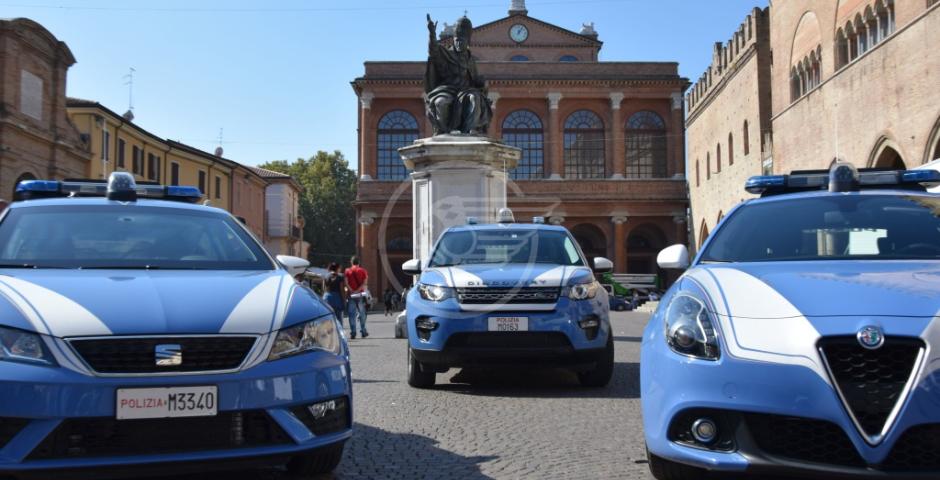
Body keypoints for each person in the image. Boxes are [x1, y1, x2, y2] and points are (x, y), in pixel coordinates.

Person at [345, 256, 369, 339]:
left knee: (352, 315)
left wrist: (352, 290)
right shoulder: (363, 271)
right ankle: (363, 331)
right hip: (360, 295)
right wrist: (358, 290)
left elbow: (346, 283)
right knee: (362, 314)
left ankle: (353, 332)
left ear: (351, 262)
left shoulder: (347, 271)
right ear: (359, 262)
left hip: (351, 295)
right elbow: (364, 283)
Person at [323, 263, 346, 330]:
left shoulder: (326, 276)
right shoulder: (340, 277)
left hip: (327, 297)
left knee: (328, 317)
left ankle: (329, 333)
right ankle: (340, 334)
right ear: (337, 268)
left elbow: (324, 289)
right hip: (336, 297)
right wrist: (344, 299)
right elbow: (342, 289)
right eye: (339, 268)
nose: (340, 269)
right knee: (338, 317)